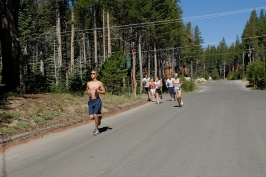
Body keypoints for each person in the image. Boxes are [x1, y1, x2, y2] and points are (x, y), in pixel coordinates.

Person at [86, 70, 106, 135]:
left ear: (96, 75)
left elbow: (104, 92)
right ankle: (99, 118)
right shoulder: (88, 83)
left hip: (97, 100)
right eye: (91, 73)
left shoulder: (99, 83)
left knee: (95, 115)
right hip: (91, 101)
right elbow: (87, 91)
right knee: (91, 117)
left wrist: (99, 91)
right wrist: (88, 92)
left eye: (93, 73)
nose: (92, 74)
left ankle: (97, 129)